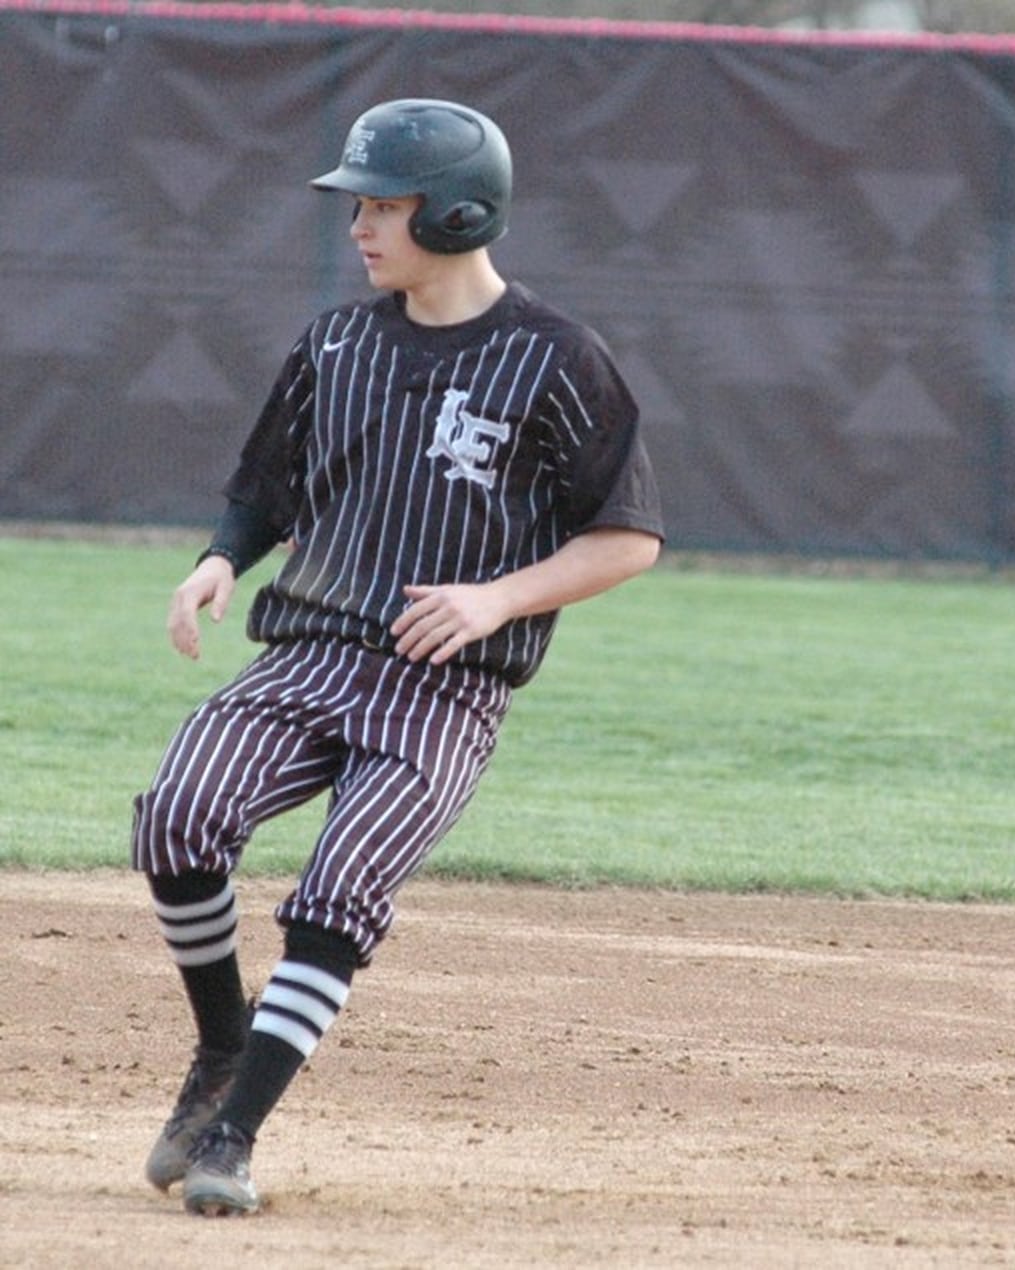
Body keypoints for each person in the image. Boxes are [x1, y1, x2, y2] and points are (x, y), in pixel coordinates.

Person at [133, 98, 664, 1215]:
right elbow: (264, 490)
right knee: (177, 816)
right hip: (306, 656)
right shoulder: (332, 343)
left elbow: (626, 537)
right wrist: (220, 560)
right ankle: (221, 1048)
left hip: (444, 690)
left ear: (462, 215)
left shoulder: (557, 359)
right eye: (360, 204)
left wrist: (494, 600)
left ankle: (233, 1132)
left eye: (384, 205)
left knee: (340, 887)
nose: (361, 226)